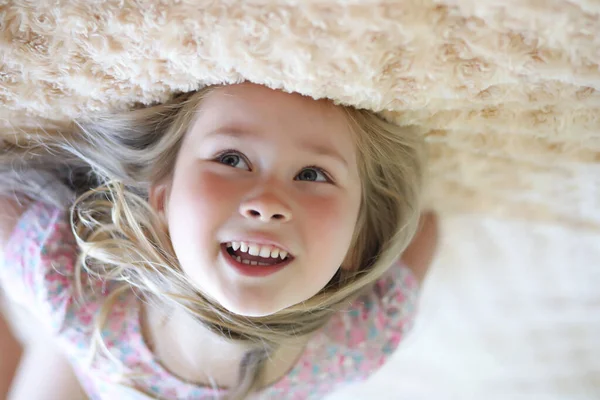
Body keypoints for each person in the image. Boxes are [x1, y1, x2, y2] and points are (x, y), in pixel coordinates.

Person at [0, 82, 438, 399]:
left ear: (358, 242)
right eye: (232, 159)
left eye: (312, 174)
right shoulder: (70, 287)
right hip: (84, 360)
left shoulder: (68, 297)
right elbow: (424, 226)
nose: (267, 203)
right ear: (163, 201)